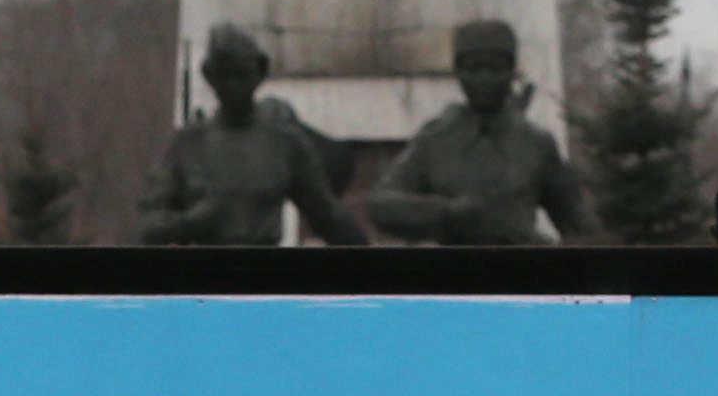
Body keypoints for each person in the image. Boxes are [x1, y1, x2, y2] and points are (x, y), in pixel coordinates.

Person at [364, 17, 594, 246]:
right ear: (458, 72)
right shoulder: (435, 140)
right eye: (474, 69)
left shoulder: (536, 143)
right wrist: (444, 212)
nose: (485, 79)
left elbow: (579, 225)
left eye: (495, 69)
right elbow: (380, 205)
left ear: (512, 71)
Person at [138, 22, 368, 246]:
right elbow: (148, 225)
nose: (233, 87)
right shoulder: (186, 144)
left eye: (241, 75)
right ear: (210, 77)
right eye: (223, 76)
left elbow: (327, 217)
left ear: (259, 73)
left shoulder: (284, 142)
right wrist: (190, 223)